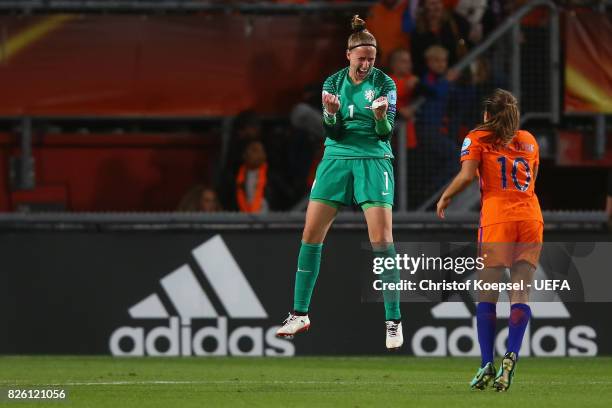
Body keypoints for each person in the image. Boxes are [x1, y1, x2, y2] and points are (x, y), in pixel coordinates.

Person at [275, 15, 404, 350]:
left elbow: (385, 133)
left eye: (371, 59)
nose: (366, 64)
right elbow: (331, 132)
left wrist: (378, 118)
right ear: (348, 55)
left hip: (374, 161)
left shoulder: (385, 84)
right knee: (310, 235)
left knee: (382, 238)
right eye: (361, 58)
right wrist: (329, 115)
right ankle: (300, 314)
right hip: (336, 159)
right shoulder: (332, 84)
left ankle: (393, 320)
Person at [436, 89, 543, 392]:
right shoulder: (529, 140)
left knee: (487, 296)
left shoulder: (477, 137)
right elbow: (534, 178)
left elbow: (468, 175)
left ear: (487, 114)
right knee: (520, 295)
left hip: (498, 219)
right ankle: (512, 355)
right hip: (530, 217)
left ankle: (486, 363)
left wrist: (446, 196)